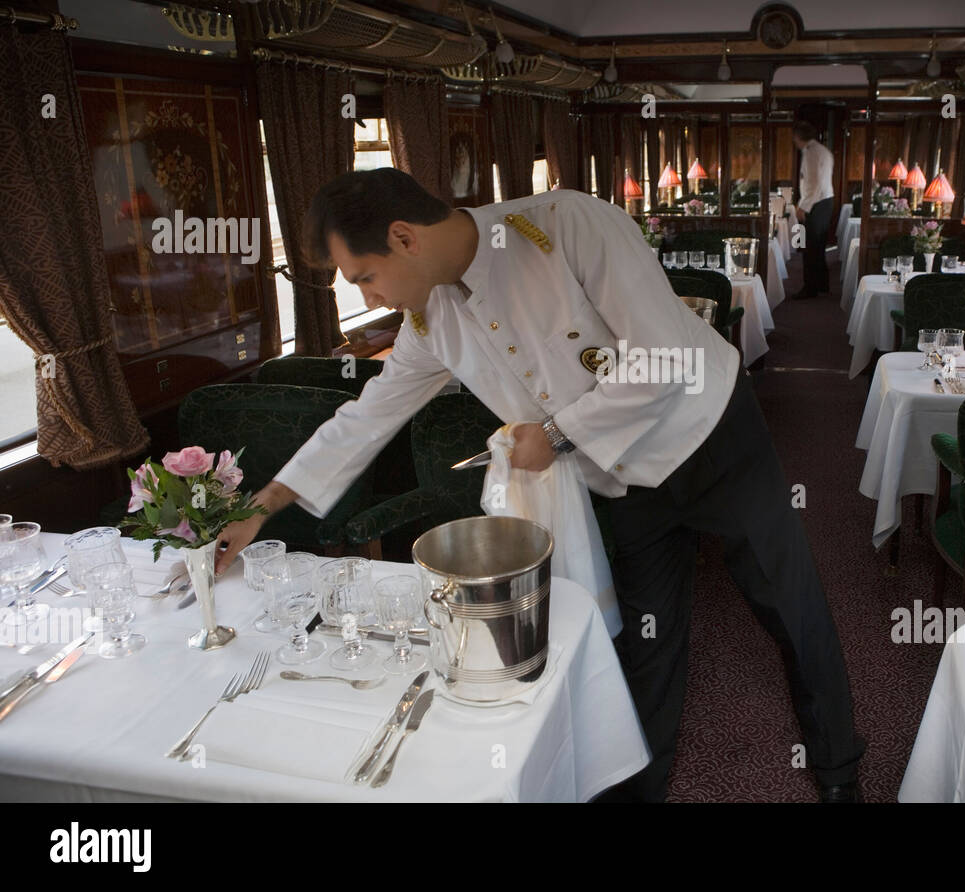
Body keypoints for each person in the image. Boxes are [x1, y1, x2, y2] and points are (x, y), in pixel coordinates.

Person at [215, 168, 864, 802]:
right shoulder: (429, 319)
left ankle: (838, 764)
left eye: (365, 278)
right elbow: (366, 416)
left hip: (713, 436)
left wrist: (552, 434)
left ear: (404, 237)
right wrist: (263, 506)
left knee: (787, 601)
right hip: (623, 475)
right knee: (647, 635)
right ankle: (641, 785)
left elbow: (665, 356)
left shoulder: (566, 225)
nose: (370, 300)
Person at [791, 120, 835, 299]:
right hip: (825, 201)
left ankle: (810, 289)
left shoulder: (811, 153)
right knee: (819, 246)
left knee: (809, 247)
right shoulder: (822, 150)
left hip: (816, 203)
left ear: (798, 136)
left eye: (794, 137)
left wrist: (803, 207)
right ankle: (822, 283)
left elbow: (813, 183)